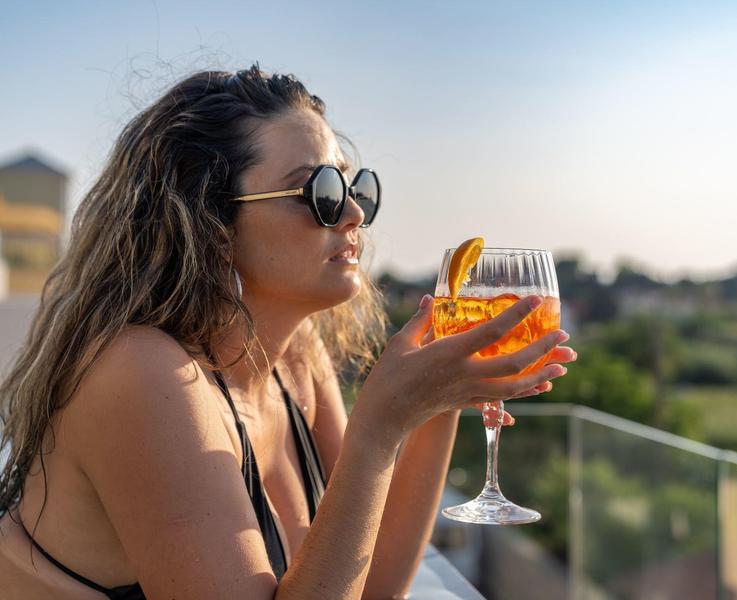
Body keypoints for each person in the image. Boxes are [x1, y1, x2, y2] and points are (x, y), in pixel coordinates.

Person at [0, 65, 576, 599]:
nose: (354, 214)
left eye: (356, 189)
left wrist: (439, 401)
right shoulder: (142, 375)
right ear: (210, 224)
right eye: (321, 193)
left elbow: (372, 585)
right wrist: (378, 428)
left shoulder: (296, 357)